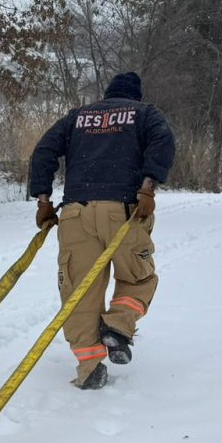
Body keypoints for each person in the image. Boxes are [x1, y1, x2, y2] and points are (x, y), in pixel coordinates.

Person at [28, 71, 176, 390]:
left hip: (75, 214)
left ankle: (89, 367)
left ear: (106, 95)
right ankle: (118, 326)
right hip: (124, 211)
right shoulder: (145, 114)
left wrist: (43, 199)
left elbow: (43, 151)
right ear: (135, 97)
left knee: (79, 291)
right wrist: (148, 187)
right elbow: (164, 142)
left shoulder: (78, 117)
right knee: (139, 278)